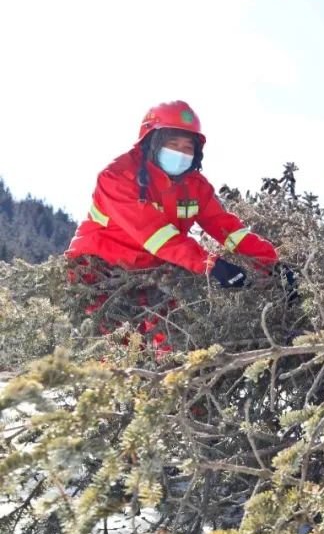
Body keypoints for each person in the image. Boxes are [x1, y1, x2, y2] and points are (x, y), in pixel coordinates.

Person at [66, 100, 286, 349]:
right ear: (152, 141)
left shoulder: (194, 185)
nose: (181, 153)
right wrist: (211, 265)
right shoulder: (117, 177)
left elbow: (226, 228)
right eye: (173, 144)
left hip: (152, 271)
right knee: (116, 350)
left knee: (171, 344)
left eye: (187, 147)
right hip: (97, 272)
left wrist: (271, 264)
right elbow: (157, 235)